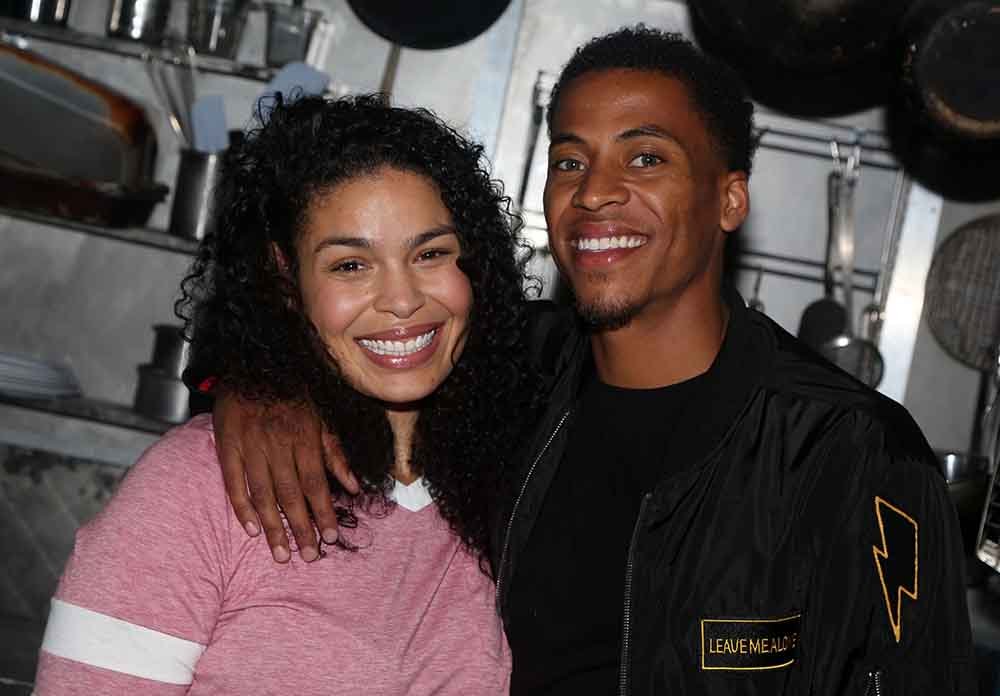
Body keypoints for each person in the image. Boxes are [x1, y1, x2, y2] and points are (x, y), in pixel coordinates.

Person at [206, 27, 975, 696]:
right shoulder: (511, 369)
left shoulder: (850, 452)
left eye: (645, 158)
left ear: (729, 199)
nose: (596, 194)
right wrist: (261, 386)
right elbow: (328, 326)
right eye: (570, 162)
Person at [33, 93, 539, 694]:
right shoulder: (201, 486)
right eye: (350, 265)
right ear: (287, 281)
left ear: (475, 265)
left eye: (430, 254)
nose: (402, 300)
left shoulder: (520, 485)